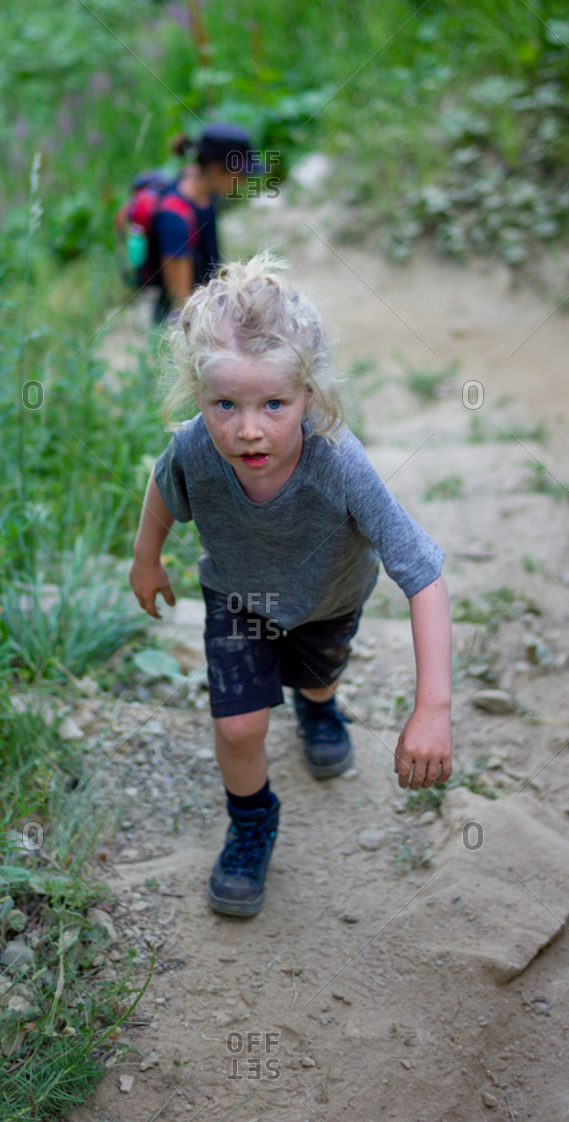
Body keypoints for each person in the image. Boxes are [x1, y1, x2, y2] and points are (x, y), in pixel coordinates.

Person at [128, 252, 453, 917]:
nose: (249, 428)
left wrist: (433, 709)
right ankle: (251, 824)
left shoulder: (339, 463)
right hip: (237, 600)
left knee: (315, 679)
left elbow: (421, 576)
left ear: (311, 395)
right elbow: (164, 490)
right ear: (199, 397)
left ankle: (318, 706)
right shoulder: (194, 448)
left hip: (327, 602)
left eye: (274, 403)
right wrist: (146, 557)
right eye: (226, 404)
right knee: (241, 727)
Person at [117, 123, 265, 324]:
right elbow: (182, 300)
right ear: (215, 169)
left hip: (207, 299)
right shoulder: (174, 221)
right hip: (185, 318)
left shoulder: (198, 183)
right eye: (240, 174)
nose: (243, 181)